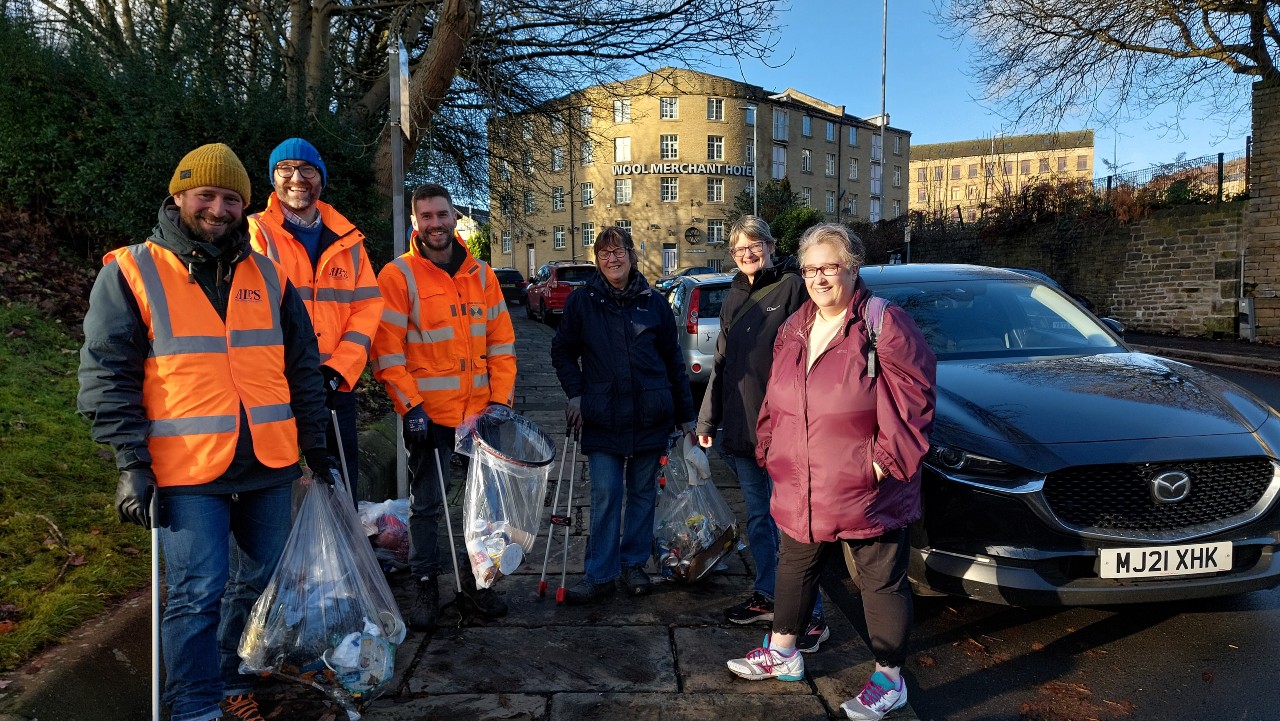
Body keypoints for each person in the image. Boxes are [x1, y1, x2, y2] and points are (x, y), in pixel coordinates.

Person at [77, 143, 334, 721]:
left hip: (268, 460)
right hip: (185, 467)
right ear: (179, 198)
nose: (218, 209)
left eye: (231, 199)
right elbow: (106, 372)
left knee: (262, 580)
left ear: (245, 206)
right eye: (207, 196)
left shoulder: (267, 274)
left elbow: (302, 366)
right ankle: (192, 705)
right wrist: (130, 462)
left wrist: (313, 442)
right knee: (197, 592)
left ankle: (226, 678)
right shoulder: (131, 270)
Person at [724, 224, 936, 721]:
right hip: (803, 482)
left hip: (868, 487)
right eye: (811, 268)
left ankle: (890, 680)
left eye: (829, 267)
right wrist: (771, 446)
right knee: (796, 567)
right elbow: (776, 395)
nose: (819, 278)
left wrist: (885, 462)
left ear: (852, 268)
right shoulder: (796, 326)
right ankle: (783, 652)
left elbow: (916, 400)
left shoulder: (884, 323)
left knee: (879, 581)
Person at [371, 183, 517, 630]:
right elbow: (387, 352)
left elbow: (502, 344)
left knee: (483, 508)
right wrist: (409, 406)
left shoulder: (482, 275)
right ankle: (425, 587)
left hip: (479, 416)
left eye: (442, 214)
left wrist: (499, 401)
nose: (435, 223)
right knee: (427, 507)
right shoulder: (398, 277)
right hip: (429, 417)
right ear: (415, 223)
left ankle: (478, 586)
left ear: (456, 218)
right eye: (426, 217)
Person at [695, 216, 830, 652]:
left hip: (786, 432)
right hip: (741, 430)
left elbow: (814, 356)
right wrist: (705, 421)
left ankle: (812, 615)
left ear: (772, 246)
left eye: (755, 246)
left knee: (795, 529)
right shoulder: (734, 294)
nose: (748, 254)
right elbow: (722, 364)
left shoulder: (793, 287)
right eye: (739, 249)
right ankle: (770, 596)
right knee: (759, 520)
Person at [549, 226, 696, 604]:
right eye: (604, 254)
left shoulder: (654, 302)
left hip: (651, 413)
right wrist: (576, 393)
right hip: (603, 414)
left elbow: (673, 360)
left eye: (618, 252)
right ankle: (600, 573)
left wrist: (685, 415)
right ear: (597, 261)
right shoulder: (584, 302)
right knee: (607, 493)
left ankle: (633, 565)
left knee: (643, 494)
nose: (612, 259)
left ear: (631, 255)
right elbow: (562, 351)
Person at [248, 138, 383, 492]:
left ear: (321, 178)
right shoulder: (254, 234)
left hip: (334, 386)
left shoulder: (348, 239)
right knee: (279, 489)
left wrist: (339, 370)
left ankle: (342, 551)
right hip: (275, 386)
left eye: (307, 169)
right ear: (272, 178)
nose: (297, 177)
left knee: (341, 491)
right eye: (285, 168)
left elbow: (367, 309)